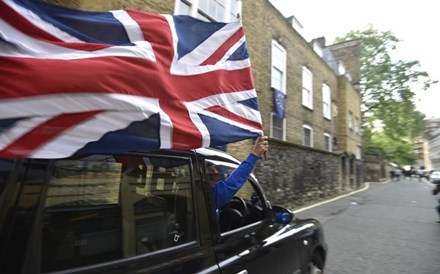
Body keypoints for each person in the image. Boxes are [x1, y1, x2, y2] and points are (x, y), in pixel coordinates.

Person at [208, 136, 269, 209]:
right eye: (211, 178)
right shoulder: (211, 197)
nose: (216, 184)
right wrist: (255, 155)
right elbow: (234, 181)